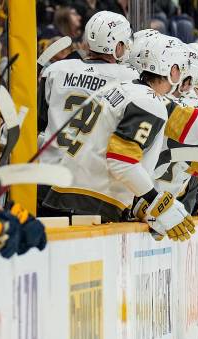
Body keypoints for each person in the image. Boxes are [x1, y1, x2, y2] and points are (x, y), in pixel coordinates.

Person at [42, 34, 198, 230]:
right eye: (181, 67)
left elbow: (186, 127)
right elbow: (122, 161)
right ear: (169, 69)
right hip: (85, 205)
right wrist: (155, 202)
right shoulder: (146, 101)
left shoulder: (135, 92)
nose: (187, 75)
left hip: (69, 199)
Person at [37, 11, 139, 216]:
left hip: (46, 182)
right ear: (117, 46)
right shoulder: (130, 79)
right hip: (93, 190)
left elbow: (39, 124)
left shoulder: (56, 70)